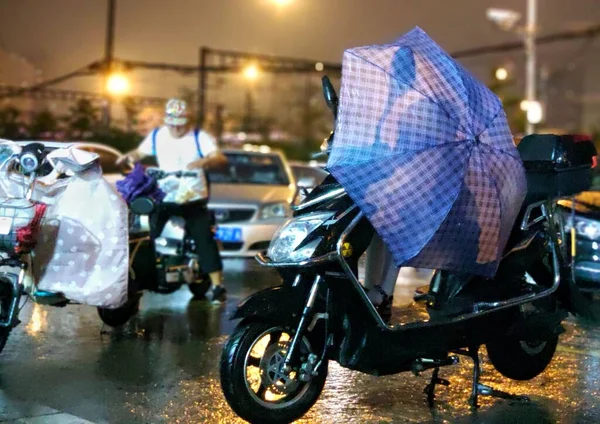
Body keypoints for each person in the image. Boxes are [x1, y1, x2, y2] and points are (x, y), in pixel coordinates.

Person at [117, 98, 228, 302]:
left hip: (192, 197)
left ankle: (217, 284)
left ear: (188, 121)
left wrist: (205, 161)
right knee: (146, 232)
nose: (177, 129)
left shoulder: (199, 136)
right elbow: (140, 152)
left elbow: (219, 157)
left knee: (203, 237)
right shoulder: (158, 135)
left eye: (181, 124)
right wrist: (128, 156)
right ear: (167, 122)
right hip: (164, 195)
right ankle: (143, 274)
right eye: (173, 124)